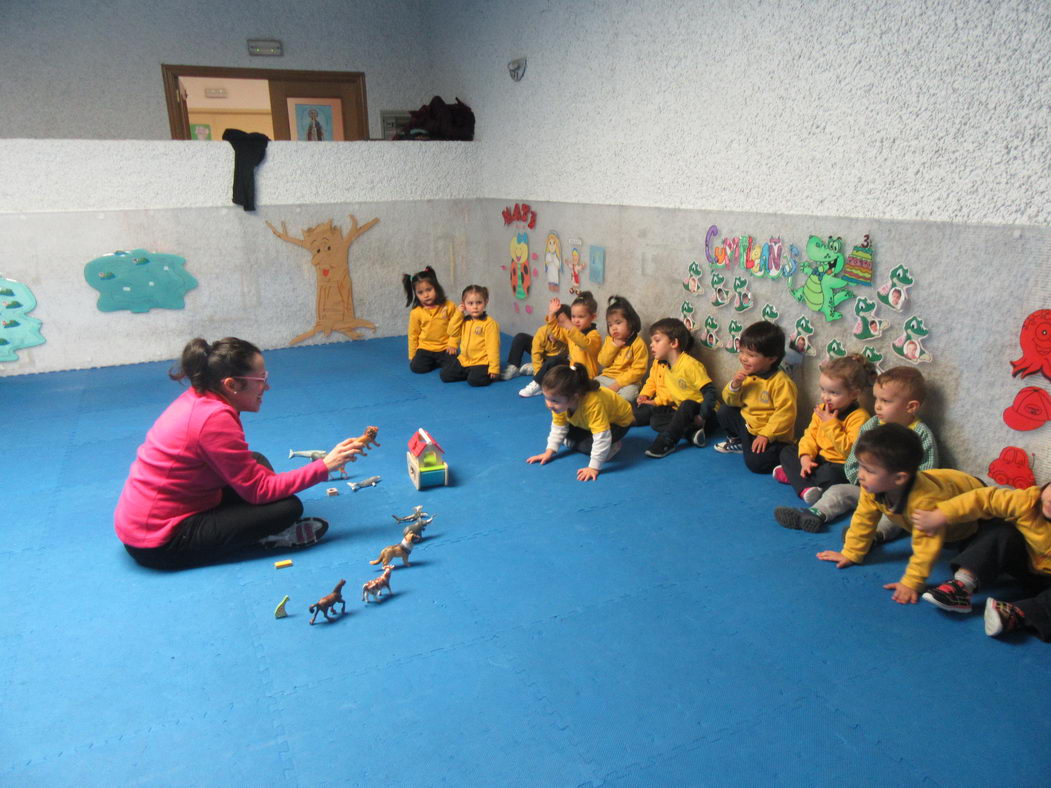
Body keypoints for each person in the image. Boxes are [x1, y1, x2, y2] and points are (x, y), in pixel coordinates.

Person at [115, 337, 365, 569]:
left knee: (256, 461)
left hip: (151, 514)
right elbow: (258, 491)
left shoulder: (203, 397)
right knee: (287, 508)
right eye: (260, 380)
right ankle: (268, 538)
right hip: (159, 542)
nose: (266, 387)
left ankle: (251, 525)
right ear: (232, 384)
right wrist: (325, 466)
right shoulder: (214, 419)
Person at [816, 424, 985, 604]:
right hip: (940, 483)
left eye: (869, 470)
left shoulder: (925, 502)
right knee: (900, 517)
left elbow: (926, 546)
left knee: (973, 548)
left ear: (899, 478)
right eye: (861, 466)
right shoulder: (872, 486)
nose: (861, 475)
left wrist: (912, 583)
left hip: (974, 507)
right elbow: (864, 517)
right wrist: (851, 553)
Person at [774, 366, 937, 534]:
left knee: (897, 516)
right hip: (867, 489)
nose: (878, 406)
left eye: (886, 401)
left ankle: (872, 536)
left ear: (911, 407)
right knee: (838, 491)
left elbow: (927, 473)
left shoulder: (921, 434)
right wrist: (860, 481)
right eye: (876, 399)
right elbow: (854, 458)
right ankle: (814, 513)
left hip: (898, 498)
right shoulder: (872, 425)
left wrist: (898, 493)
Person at [914, 483, 1051, 641]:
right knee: (1001, 531)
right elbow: (983, 499)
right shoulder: (1028, 502)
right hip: (1022, 559)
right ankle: (962, 585)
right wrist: (942, 514)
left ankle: (1016, 614)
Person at [771, 354, 874, 504]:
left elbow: (851, 452)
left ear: (854, 394)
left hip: (839, 465)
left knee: (830, 475)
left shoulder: (860, 417)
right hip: (818, 459)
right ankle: (806, 484)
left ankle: (799, 480)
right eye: (823, 390)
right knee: (788, 452)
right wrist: (806, 457)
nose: (826, 397)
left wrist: (830, 425)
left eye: (834, 393)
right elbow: (810, 436)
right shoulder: (821, 409)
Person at [713, 320, 797, 473]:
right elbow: (730, 400)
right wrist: (735, 385)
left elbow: (786, 414)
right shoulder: (747, 374)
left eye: (751, 355)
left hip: (771, 435)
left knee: (756, 464)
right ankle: (740, 441)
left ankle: (785, 453)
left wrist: (766, 435)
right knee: (724, 411)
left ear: (771, 359)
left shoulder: (781, 382)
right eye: (742, 352)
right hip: (748, 426)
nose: (744, 358)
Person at [526, 364, 634, 482]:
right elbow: (558, 426)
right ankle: (583, 442)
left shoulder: (592, 404)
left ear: (574, 397)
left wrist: (594, 467)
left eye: (554, 401)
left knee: (589, 446)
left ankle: (613, 446)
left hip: (617, 424)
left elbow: (602, 436)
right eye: (546, 398)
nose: (549, 404)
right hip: (588, 422)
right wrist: (549, 451)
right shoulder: (560, 403)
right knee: (564, 433)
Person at [634, 317, 717, 458]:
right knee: (656, 419)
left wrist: (702, 416)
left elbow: (710, 392)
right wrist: (651, 400)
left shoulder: (690, 364)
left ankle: (667, 441)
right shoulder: (666, 366)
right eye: (652, 341)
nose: (651, 345)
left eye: (657, 340)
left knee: (687, 405)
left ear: (674, 343)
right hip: (684, 414)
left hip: (705, 415)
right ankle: (691, 434)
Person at [520, 291, 601, 397]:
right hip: (572, 369)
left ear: (592, 317)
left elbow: (584, 343)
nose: (576, 320)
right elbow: (555, 331)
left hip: (586, 376)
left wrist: (569, 325)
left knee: (566, 392)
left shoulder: (595, 336)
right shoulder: (572, 331)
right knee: (554, 360)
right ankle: (538, 383)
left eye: (581, 317)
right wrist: (551, 313)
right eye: (573, 316)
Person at [403, 266, 462, 374]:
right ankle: (436, 362)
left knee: (454, 368)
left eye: (429, 290)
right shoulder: (416, 312)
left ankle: (442, 361)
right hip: (425, 348)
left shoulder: (449, 306)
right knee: (416, 368)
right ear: (416, 294)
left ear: (436, 287)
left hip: (446, 347)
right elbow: (413, 334)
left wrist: (453, 343)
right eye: (420, 292)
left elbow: (457, 326)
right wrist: (412, 355)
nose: (426, 295)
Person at [440, 284, 500, 386]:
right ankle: (469, 372)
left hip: (481, 362)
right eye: (470, 303)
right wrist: (458, 313)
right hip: (465, 360)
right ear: (464, 305)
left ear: (486, 302)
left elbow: (493, 347)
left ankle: (481, 373)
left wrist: (494, 367)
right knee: (444, 375)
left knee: (474, 381)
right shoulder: (464, 320)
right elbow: (451, 331)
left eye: (479, 303)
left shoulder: (489, 324)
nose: (475, 307)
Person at [596, 295, 649, 403]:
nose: (614, 327)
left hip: (628, 383)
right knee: (592, 386)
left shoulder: (638, 344)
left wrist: (618, 384)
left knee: (628, 396)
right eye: (610, 325)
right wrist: (614, 346)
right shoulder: (609, 340)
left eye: (618, 323)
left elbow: (638, 371)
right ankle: (604, 402)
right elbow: (602, 361)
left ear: (630, 322)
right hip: (607, 378)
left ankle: (612, 406)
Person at [501, 303, 570, 382]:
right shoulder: (542, 332)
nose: (556, 329)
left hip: (555, 360)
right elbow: (536, 352)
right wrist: (538, 373)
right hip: (543, 355)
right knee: (520, 337)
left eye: (561, 325)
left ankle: (537, 367)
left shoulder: (568, 336)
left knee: (561, 368)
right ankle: (514, 366)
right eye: (554, 323)